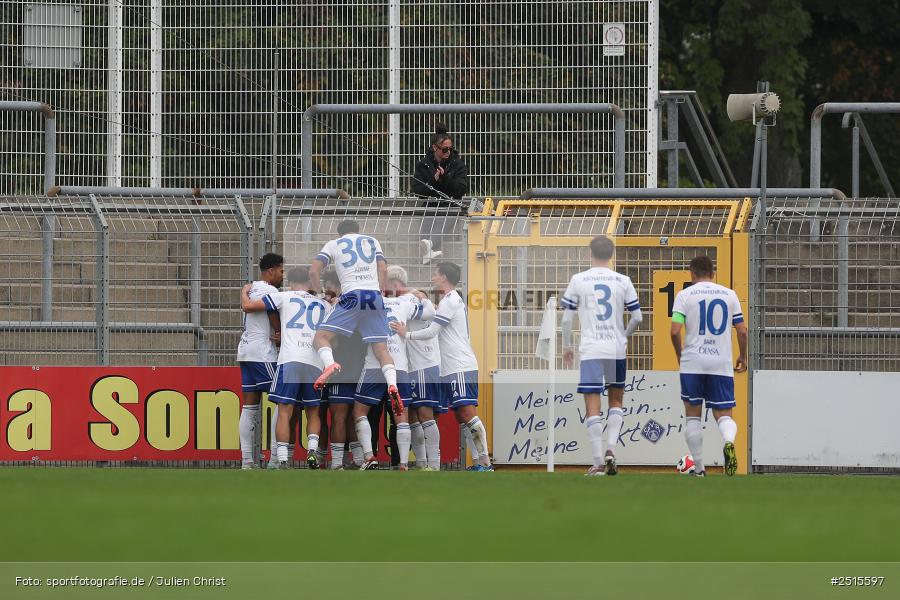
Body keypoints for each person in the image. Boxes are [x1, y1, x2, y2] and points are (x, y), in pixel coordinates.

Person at [391, 262, 492, 471]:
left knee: (466, 413)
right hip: (450, 367)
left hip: (459, 365)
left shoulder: (450, 300)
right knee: (460, 415)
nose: (433, 278)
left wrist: (405, 334)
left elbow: (431, 332)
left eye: (435, 275)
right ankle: (478, 462)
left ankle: (485, 462)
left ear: (444, 277)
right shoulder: (447, 301)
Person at [560, 236, 643, 476]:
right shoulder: (623, 280)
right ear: (612, 254)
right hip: (616, 348)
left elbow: (566, 318)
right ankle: (611, 449)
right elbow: (637, 317)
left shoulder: (579, 279)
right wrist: (624, 336)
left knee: (592, 404)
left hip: (592, 349)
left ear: (590, 253)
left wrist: (567, 346)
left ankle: (597, 463)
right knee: (616, 401)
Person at [308, 220, 402, 417]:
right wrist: (381, 294)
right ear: (358, 231)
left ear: (340, 233)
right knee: (381, 349)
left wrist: (319, 296)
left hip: (352, 295)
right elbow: (383, 269)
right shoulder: (372, 241)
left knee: (321, 338)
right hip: (374, 297)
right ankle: (392, 384)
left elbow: (313, 270)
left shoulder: (334, 244)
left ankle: (329, 364)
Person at [241, 266, 331, 469]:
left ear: (290, 283)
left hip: (289, 359)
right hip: (314, 362)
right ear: (309, 284)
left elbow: (249, 306)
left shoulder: (284, 297)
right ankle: (312, 452)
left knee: (285, 410)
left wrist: (244, 292)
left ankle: (281, 459)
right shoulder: (324, 305)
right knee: (314, 411)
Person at [670, 255, 748, 477]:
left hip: (693, 362)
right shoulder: (729, 295)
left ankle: (700, 468)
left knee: (693, 416)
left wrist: (680, 355)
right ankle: (729, 441)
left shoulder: (684, 295)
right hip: (720, 362)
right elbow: (742, 331)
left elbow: (675, 331)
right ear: (713, 274)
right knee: (724, 415)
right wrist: (742, 355)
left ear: (692, 274)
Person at [354, 268, 424, 470]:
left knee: (359, 411)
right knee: (401, 414)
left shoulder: (371, 301)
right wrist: (415, 293)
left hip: (374, 364)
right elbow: (429, 310)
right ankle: (402, 463)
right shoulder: (407, 301)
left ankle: (369, 457)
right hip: (399, 365)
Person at [385, 265, 441, 470]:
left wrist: (417, 294)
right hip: (413, 368)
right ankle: (422, 463)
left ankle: (434, 465)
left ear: (394, 284)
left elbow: (431, 311)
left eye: (386, 284)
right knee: (414, 418)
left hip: (424, 366)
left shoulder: (413, 299)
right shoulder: (408, 300)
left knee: (426, 416)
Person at [236, 252, 283, 470]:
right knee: (283, 401)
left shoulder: (251, 287)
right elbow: (272, 311)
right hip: (263, 353)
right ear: (271, 270)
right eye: (281, 271)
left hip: (246, 351)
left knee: (249, 407)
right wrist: (279, 332)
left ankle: (247, 461)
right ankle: (274, 458)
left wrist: (243, 291)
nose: (282, 276)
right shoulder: (269, 290)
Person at [321, 269, 368, 469]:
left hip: (341, 367)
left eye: (329, 285)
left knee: (342, 416)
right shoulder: (359, 306)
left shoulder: (339, 307)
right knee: (350, 416)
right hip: (357, 366)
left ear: (339, 286)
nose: (326, 290)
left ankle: (340, 463)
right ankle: (354, 461)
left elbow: (331, 340)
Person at [411, 123, 469, 264]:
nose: (448, 152)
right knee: (428, 217)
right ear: (434, 148)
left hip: (450, 205)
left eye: (450, 149)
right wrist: (433, 180)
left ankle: (428, 244)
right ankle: (426, 251)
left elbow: (460, 189)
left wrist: (446, 178)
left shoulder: (458, 164)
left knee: (444, 219)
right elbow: (417, 190)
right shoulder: (423, 165)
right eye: (444, 149)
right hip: (431, 204)